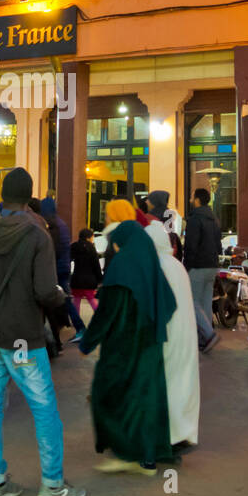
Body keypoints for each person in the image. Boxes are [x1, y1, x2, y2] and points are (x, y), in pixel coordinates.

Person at [0, 167, 83, 496]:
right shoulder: (38, 234)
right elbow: (45, 290)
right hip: (24, 338)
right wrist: (60, 298)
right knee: (44, 409)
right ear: (29, 196)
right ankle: (52, 485)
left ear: (2, 195)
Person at [80, 199, 176, 474]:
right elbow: (167, 304)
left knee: (108, 393)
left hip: (124, 347)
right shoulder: (148, 263)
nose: (115, 248)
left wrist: (87, 343)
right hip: (151, 344)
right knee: (147, 398)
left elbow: (107, 312)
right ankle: (148, 457)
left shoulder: (122, 266)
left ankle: (126, 452)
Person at [144, 220, 200, 451]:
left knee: (168, 383)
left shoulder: (155, 264)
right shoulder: (176, 265)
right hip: (185, 336)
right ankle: (183, 432)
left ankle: (169, 435)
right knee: (184, 384)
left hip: (167, 335)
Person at [182, 187, 223, 354]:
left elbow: (190, 245)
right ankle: (204, 338)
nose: (191, 200)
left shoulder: (194, 219)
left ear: (197, 199)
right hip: (212, 265)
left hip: (198, 266)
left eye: (192, 197)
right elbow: (218, 245)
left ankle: (208, 334)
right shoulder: (214, 219)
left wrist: (187, 266)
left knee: (192, 302)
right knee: (205, 302)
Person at [39, 196, 83, 342]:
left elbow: (53, 250)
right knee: (65, 300)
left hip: (57, 268)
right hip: (63, 266)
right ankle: (71, 328)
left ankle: (78, 328)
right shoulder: (61, 223)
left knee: (64, 301)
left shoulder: (52, 225)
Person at [70, 227, 102, 323]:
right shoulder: (91, 248)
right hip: (89, 280)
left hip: (76, 279)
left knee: (76, 300)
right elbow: (96, 265)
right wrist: (100, 279)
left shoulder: (74, 246)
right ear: (88, 237)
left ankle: (76, 321)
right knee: (92, 300)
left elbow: (68, 259)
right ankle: (100, 317)